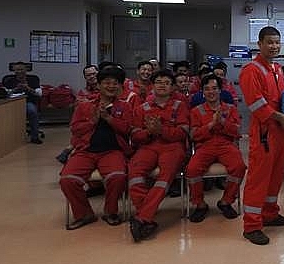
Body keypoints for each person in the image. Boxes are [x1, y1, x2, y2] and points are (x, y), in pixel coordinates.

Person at [238, 26, 284, 245]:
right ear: (260, 44)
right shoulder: (251, 70)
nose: (274, 46)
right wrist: (280, 117)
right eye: (269, 42)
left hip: (280, 130)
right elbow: (255, 104)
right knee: (258, 179)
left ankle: (270, 214)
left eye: (277, 42)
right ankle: (252, 226)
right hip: (264, 131)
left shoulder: (277, 69)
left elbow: (283, 98)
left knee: (275, 176)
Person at [59, 66, 131, 229]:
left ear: (120, 86)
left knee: (118, 177)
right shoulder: (85, 106)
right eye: (107, 82)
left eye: (115, 83)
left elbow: (127, 130)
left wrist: (109, 119)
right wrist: (93, 120)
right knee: (67, 180)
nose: (111, 86)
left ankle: (110, 211)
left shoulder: (124, 106)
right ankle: (84, 214)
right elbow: (75, 129)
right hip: (85, 151)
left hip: (113, 151)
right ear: (98, 85)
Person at [128, 69, 190, 242]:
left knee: (164, 177)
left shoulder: (180, 106)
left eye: (167, 83)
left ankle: (142, 217)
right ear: (152, 86)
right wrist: (149, 132)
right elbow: (135, 136)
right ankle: (145, 217)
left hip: (172, 147)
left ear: (173, 88)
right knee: (134, 174)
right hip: (147, 147)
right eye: (159, 82)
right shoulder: (141, 109)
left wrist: (161, 130)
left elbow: (182, 133)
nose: (162, 85)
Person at [186, 74, 246, 223]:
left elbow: (237, 131)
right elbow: (194, 135)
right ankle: (200, 204)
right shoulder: (196, 111)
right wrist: (211, 125)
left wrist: (222, 122)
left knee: (239, 167)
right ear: (202, 92)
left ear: (220, 90)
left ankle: (226, 201)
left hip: (226, 145)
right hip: (204, 146)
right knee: (192, 169)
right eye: (207, 89)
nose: (211, 92)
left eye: (214, 88)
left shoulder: (230, 109)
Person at [56, 64, 100, 164]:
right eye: (88, 75)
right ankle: (72, 149)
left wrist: (89, 102)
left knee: (89, 128)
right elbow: (79, 107)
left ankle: (69, 148)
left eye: (94, 74)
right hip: (88, 118)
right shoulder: (83, 91)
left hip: (101, 117)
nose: (92, 76)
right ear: (85, 78)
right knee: (81, 127)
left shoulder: (105, 87)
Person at [2, 61, 43, 144]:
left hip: (28, 102)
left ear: (26, 70)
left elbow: (39, 94)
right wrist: (15, 89)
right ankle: (7, 137)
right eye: (17, 70)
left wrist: (28, 88)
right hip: (12, 103)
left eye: (21, 69)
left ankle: (34, 137)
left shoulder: (33, 79)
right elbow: (4, 93)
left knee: (32, 111)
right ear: (14, 70)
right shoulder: (9, 80)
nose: (19, 71)